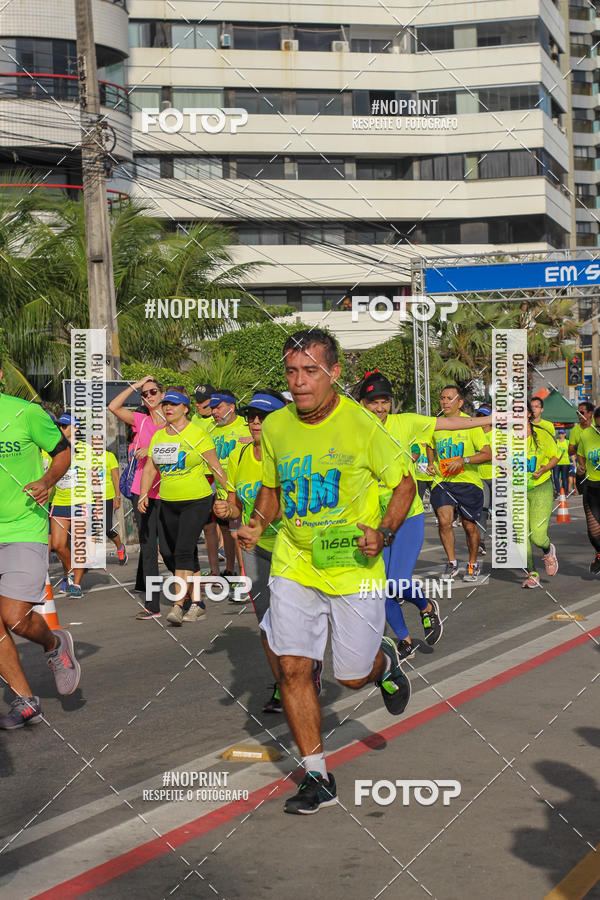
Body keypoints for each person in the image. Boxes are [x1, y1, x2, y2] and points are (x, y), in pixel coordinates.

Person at [238, 329, 416, 815]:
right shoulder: (275, 426)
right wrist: (257, 523)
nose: (298, 382)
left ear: (334, 373)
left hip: (353, 566)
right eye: (291, 371)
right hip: (294, 562)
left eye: (309, 371)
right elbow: (273, 489)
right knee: (292, 666)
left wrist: (385, 530)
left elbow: (403, 483)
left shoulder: (362, 425)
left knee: (352, 676)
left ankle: (383, 665)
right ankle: (317, 775)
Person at [358, 371, 492, 659]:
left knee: (395, 582)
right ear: (362, 403)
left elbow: (452, 423)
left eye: (384, 402)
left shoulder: (405, 423)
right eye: (373, 402)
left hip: (407, 514)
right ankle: (405, 641)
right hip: (372, 520)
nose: (380, 408)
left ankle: (426, 606)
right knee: (380, 588)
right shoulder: (353, 430)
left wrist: (491, 420)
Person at [214, 389, 322, 713]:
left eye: (263, 416)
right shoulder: (239, 456)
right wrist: (227, 511)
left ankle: (310, 669)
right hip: (256, 550)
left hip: (294, 548)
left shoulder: (297, 454)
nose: (255, 422)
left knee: (299, 621)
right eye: (251, 416)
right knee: (267, 624)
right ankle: (284, 688)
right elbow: (237, 508)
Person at [0, 379, 81, 730]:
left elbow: (62, 451)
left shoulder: (27, 413)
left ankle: (53, 643)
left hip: (23, 526)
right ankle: (25, 701)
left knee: (15, 616)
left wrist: (48, 481)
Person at [139, 387, 227, 625]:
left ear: (185, 408)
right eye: (166, 404)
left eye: (174, 404)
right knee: (169, 553)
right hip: (168, 501)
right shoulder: (159, 436)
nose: (168, 407)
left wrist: (226, 494)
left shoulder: (198, 434)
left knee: (183, 550)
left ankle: (179, 604)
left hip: (197, 499)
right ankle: (198, 603)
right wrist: (143, 494)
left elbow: (215, 466)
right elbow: (150, 468)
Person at [108, 376, 166, 619]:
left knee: (173, 549)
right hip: (140, 491)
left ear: (162, 394)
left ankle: (189, 597)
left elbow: (183, 449)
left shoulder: (174, 421)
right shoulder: (140, 420)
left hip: (168, 490)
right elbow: (113, 407)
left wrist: (151, 450)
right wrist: (136, 386)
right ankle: (152, 605)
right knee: (149, 547)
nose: (149, 396)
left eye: (153, 392)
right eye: (145, 394)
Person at [426, 387, 491, 581]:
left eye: (449, 398)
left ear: (460, 402)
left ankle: (472, 563)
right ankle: (452, 562)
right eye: (442, 398)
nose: (444, 402)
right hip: (443, 482)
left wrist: (464, 460)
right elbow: (429, 444)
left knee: (469, 526)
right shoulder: (435, 424)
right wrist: (430, 463)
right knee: (444, 522)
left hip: (468, 482)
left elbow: (487, 453)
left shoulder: (470, 425)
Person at [207, 390, 252, 583]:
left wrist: (256, 439)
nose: (214, 412)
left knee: (237, 534)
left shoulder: (247, 425)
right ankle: (231, 570)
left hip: (243, 490)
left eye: (218, 407)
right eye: (212, 408)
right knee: (227, 532)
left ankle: (245, 576)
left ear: (232, 407)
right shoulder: (210, 429)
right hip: (221, 490)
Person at [49, 415, 91, 598]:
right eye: (59, 425)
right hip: (59, 501)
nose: (61, 428)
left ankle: (77, 585)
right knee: (58, 545)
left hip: (81, 501)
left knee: (78, 544)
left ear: (75, 428)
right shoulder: (49, 448)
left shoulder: (85, 449)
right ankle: (70, 570)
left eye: (65, 425)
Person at [521, 401, 559, 588]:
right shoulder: (503, 438)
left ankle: (547, 550)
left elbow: (556, 455)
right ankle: (532, 573)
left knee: (537, 536)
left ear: (528, 414)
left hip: (540, 488)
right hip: (516, 490)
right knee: (521, 535)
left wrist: (545, 469)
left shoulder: (542, 434)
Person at [192, 384, 221, 579]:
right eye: (197, 400)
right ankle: (212, 570)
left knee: (226, 528)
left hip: (216, 476)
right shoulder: (192, 420)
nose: (198, 404)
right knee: (205, 526)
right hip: (198, 478)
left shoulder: (219, 419)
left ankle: (231, 571)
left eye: (203, 401)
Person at [576, 407, 600, 574]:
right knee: (594, 533)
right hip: (592, 487)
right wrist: (581, 468)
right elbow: (581, 457)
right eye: (598, 427)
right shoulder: (586, 435)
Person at [475, 404, 493, 556]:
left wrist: (484, 456)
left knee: (501, 511)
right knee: (483, 510)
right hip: (480, 477)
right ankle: (481, 542)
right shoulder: (475, 434)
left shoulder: (499, 435)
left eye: (485, 417)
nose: (482, 420)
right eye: (479, 416)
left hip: (498, 477)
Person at [569, 401, 594, 494]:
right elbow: (570, 452)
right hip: (583, 469)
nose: (579, 415)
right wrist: (578, 445)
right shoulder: (575, 430)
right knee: (585, 496)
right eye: (577, 413)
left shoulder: (596, 426)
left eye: (582, 412)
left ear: (590, 413)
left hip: (596, 468)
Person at [552, 428, 570, 498]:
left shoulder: (567, 442)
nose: (561, 435)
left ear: (565, 434)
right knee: (556, 477)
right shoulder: (556, 442)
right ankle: (559, 492)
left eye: (562, 433)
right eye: (559, 433)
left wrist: (574, 461)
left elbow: (571, 452)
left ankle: (565, 493)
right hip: (556, 463)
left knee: (564, 478)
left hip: (565, 462)